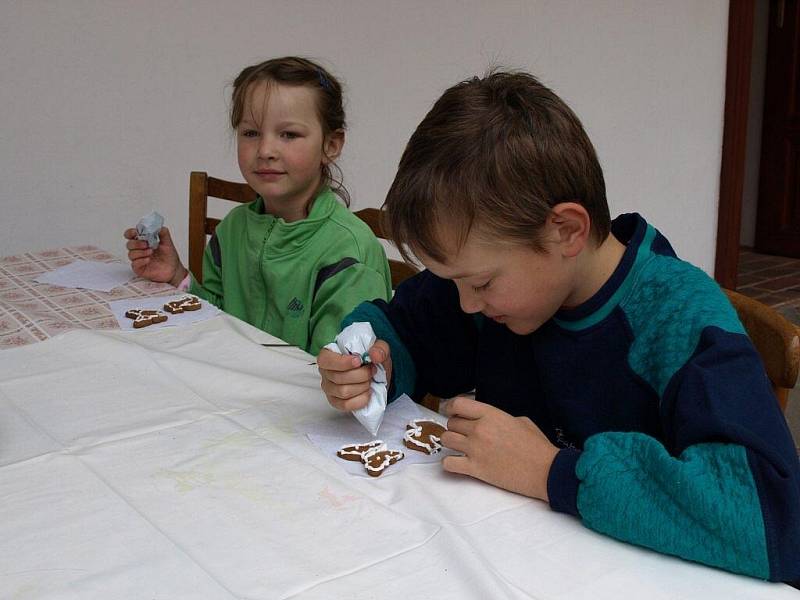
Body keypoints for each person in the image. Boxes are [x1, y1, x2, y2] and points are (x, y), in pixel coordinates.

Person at [317, 70, 800, 582]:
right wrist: (365, 359)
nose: (465, 304)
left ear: (566, 231)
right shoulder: (495, 285)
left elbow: (770, 519)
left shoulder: (679, 319)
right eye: (453, 281)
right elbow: (404, 326)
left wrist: (550, 471)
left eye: (480, 282)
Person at [124, 57, 392, 354]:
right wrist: (177, 276)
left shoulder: (349, 253)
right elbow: (218, 320)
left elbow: (341, 374)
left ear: (331, 145)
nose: (265, 151)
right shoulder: (233, 229)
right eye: (250, 133)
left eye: (289, 134)